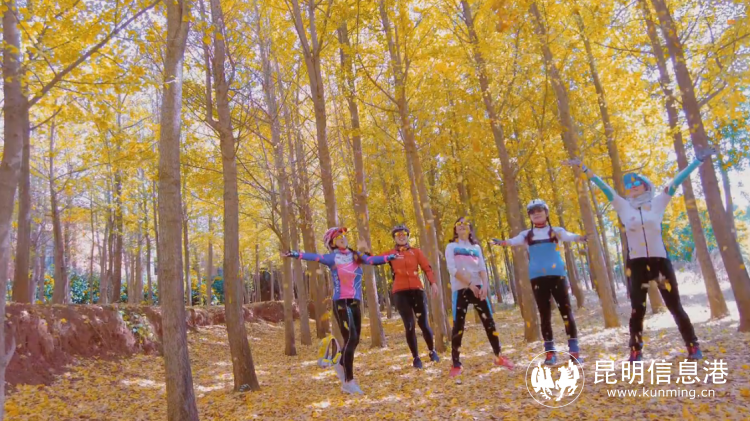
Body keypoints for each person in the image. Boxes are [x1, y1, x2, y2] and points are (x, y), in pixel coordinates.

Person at [565, 147, 715, 362]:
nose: (633, 186)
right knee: (637, 309)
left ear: (646, 185)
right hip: (636, 265)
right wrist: (584, 168)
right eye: (628, 185)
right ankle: (635, 351)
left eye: (637, 183)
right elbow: (603, 187)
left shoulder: (658, 203)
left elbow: (676, 181)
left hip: (659, 263)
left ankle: (693, 346)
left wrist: (697, 161)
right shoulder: (623, 207)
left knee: (674, 306)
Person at [284, 227, 399, 394]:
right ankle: (348, 381)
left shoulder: (356, 256)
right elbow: (315, 257)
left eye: (343, 236)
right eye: (338, 237)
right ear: (332, 243)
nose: (343, 238)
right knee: (351, 338)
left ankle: (339, 362)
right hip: (341, 302)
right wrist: (295, 254)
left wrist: (390, 257)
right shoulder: (332, 257)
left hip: (355, 301)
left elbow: (372, 260)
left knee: (355, 340)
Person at [491, 199, 587, 365]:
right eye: (532, 212)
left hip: (558, 276)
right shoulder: (526, 235)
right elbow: (514, 241)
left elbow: (568, 236)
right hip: (537, 278)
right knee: (544, 315)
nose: (536, 214)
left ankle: (574, 352)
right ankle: (550, 353)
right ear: (529, 216)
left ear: (546, 213)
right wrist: (502, 243)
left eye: (539, 211)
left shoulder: (556, 231)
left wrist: (580, 238)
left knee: (566, 312)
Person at [445, 216, 514, 378]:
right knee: (458, 326)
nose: (462, 226)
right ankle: (456, 364)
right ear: (455, 229)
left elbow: (482, 268)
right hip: (461, 289)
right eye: (459, 224)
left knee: (489, 322)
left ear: (470, 229)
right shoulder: (451, 247)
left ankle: (498, 356)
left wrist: (485, 287)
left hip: (479, 289)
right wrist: (470, 285)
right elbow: (452, 269)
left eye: (465, 224)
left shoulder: (476, 247)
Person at [381, 224, 440, 368]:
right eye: (398, 235)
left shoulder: (416, 252)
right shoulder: (391, 253)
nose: (401, 236)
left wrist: (433, 283)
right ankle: (416, 358)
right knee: (409, 325)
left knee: (423, 323)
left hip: (417, 290)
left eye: (404, 234)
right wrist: (361, 255)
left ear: (408, 236)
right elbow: (374, 259)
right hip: (400, 292)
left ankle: (432, 351)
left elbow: (426, 268)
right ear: (394, 238)